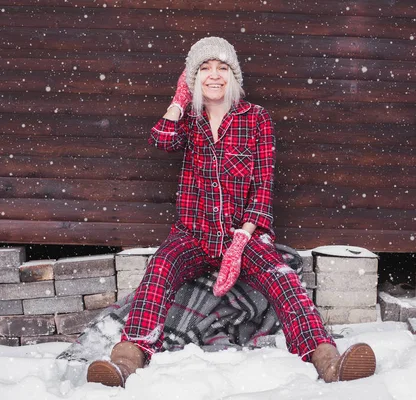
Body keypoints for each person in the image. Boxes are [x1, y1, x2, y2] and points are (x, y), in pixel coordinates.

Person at [86, 37, 376, 387]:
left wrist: (244, 236)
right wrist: (179, 102)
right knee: (160, 268)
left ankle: (327, 361)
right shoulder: (190, 122)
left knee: (283, 278)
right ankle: (125, 362)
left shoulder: (256, 119)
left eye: (222, 68)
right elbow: (161, 138)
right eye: (204, 69)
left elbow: (264, 185)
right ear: (193, 78)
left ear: (233, 76)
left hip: (244, 233)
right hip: (193, 235)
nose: (214, 75)